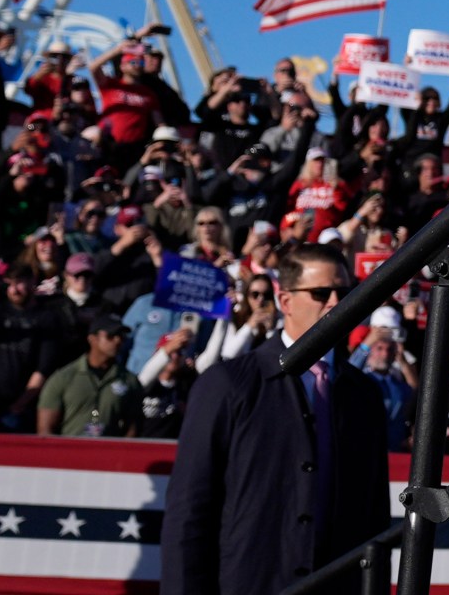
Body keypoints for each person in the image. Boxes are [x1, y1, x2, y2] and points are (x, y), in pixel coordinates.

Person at [162, 243, 389, 595]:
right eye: (321, 293)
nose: (336, 303)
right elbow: (189, 511)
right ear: (285, 301)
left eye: (345, 293)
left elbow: (374, 518)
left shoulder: (365, 395)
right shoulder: (227, 384)